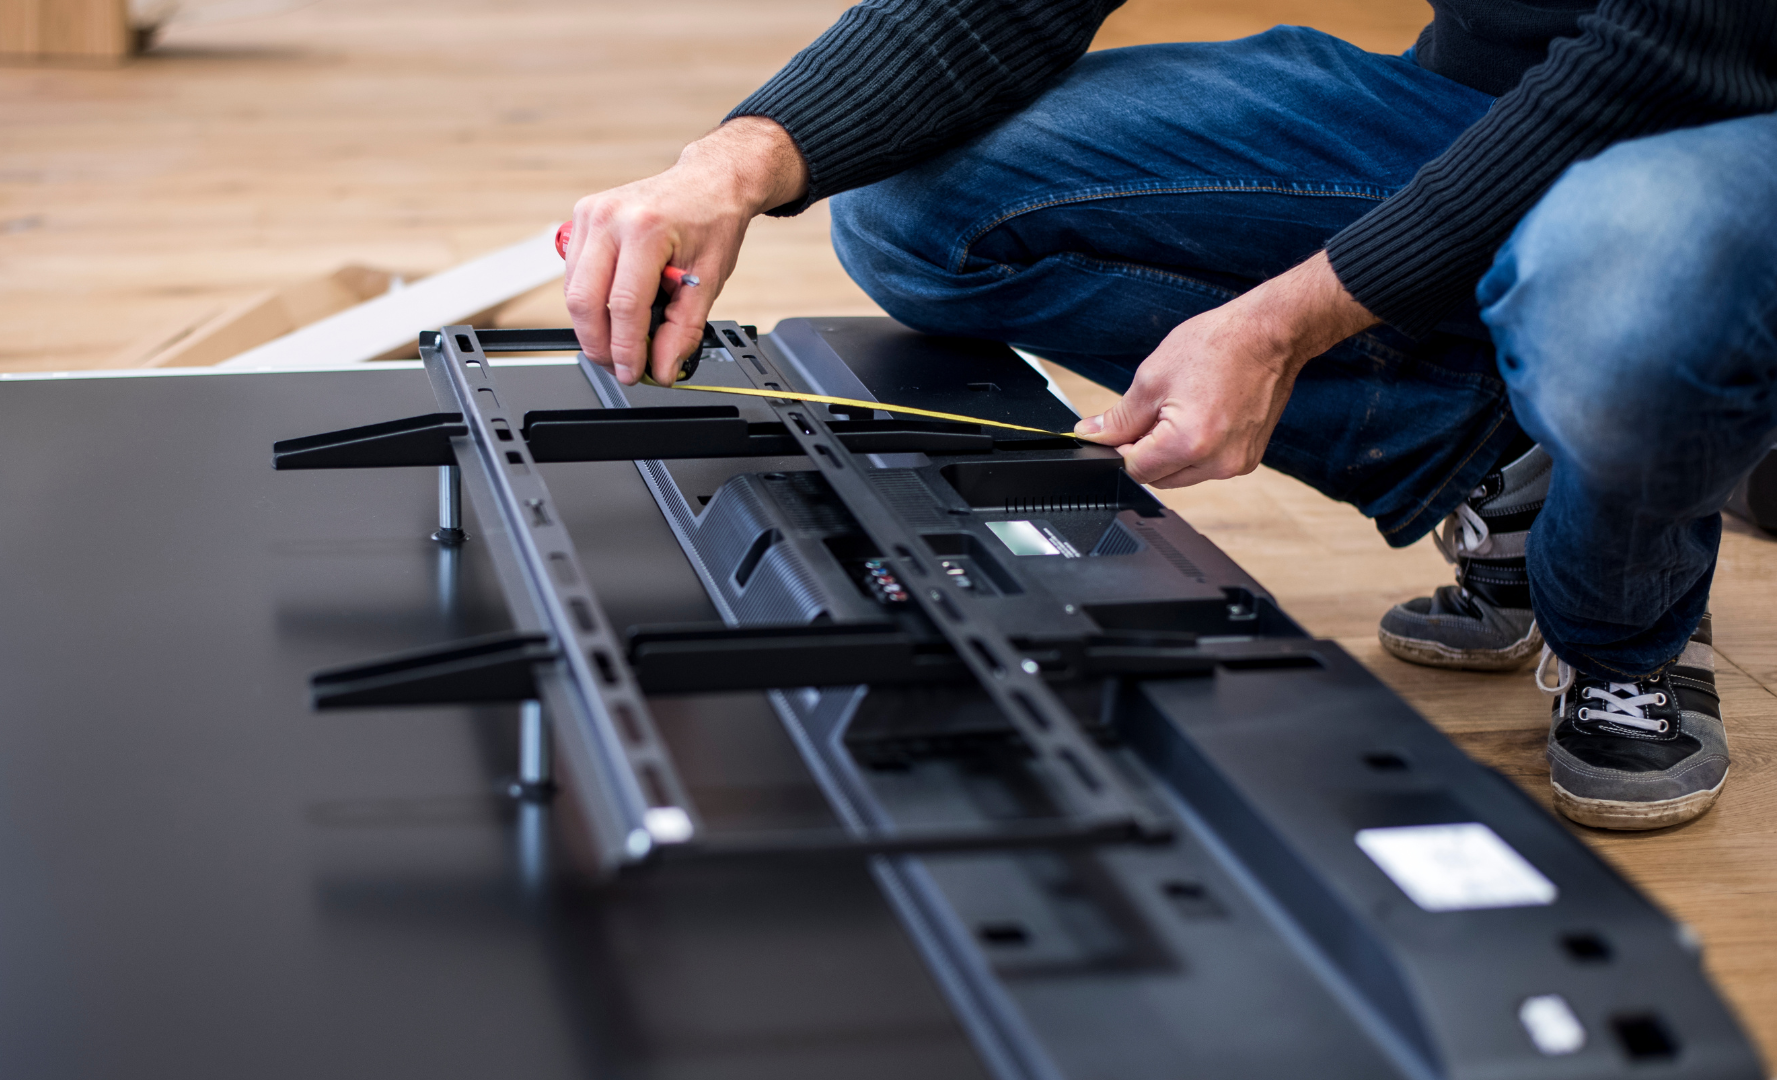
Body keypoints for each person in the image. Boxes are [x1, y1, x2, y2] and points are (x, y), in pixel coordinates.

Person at [558, 0, 1777, 830]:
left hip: (1720, 129)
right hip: (1489, 106)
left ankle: (1625, 627)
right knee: (918, 210)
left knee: (1628, 275)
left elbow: (1667, 66)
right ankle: (1519, 448)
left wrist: (1284, 321)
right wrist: (734, 161)